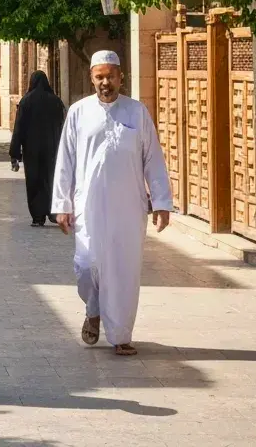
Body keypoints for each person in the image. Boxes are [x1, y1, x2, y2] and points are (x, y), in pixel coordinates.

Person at [52, 50, 173, 356]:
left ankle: (121, 335)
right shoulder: (78, 112)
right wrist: (62, 204)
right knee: (86, 265)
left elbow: (153, 159)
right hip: (88, 206)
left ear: (121, 77)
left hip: (128, 208)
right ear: (92, 78)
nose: (105, 82)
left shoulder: (137, 112)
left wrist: (161, 201)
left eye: (110, 76)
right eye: (99, 77)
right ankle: (93, 309)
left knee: (123, 271)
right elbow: (65, 160)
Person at [10, 71, 66, 226]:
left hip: (32, 149)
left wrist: (15, 154)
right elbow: (63, 126)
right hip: (52, 149)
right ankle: (53, 212)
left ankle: (37, 216)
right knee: (50, 179)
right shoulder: (55, 101)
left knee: (34, 180)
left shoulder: (26, 101)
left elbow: (19, 128)